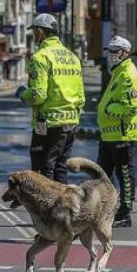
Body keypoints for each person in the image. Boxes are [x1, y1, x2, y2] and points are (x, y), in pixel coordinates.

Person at [15, 13, 86, 184]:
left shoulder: (40, 57)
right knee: (60, 168)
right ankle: (64, 207)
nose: (34, 36)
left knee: (43, 169)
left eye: (34, 33)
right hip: (70, 123)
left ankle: (47, 209)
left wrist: (22, 93)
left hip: (48, 124)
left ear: (40, 32)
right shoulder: (72, 58)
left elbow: (38, 95)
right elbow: (81, 97)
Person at [96, 35, 137, 228]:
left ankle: (125, 213)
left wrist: (108, 109)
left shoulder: (128, 74)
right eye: (109, 51)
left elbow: (131, 107)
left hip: (121, 135)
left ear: (125, 53)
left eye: (115, 51)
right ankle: (103, 210)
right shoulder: (118, 72)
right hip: (108, 135)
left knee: (124, 175)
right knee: (102, 175)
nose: (111, 55)